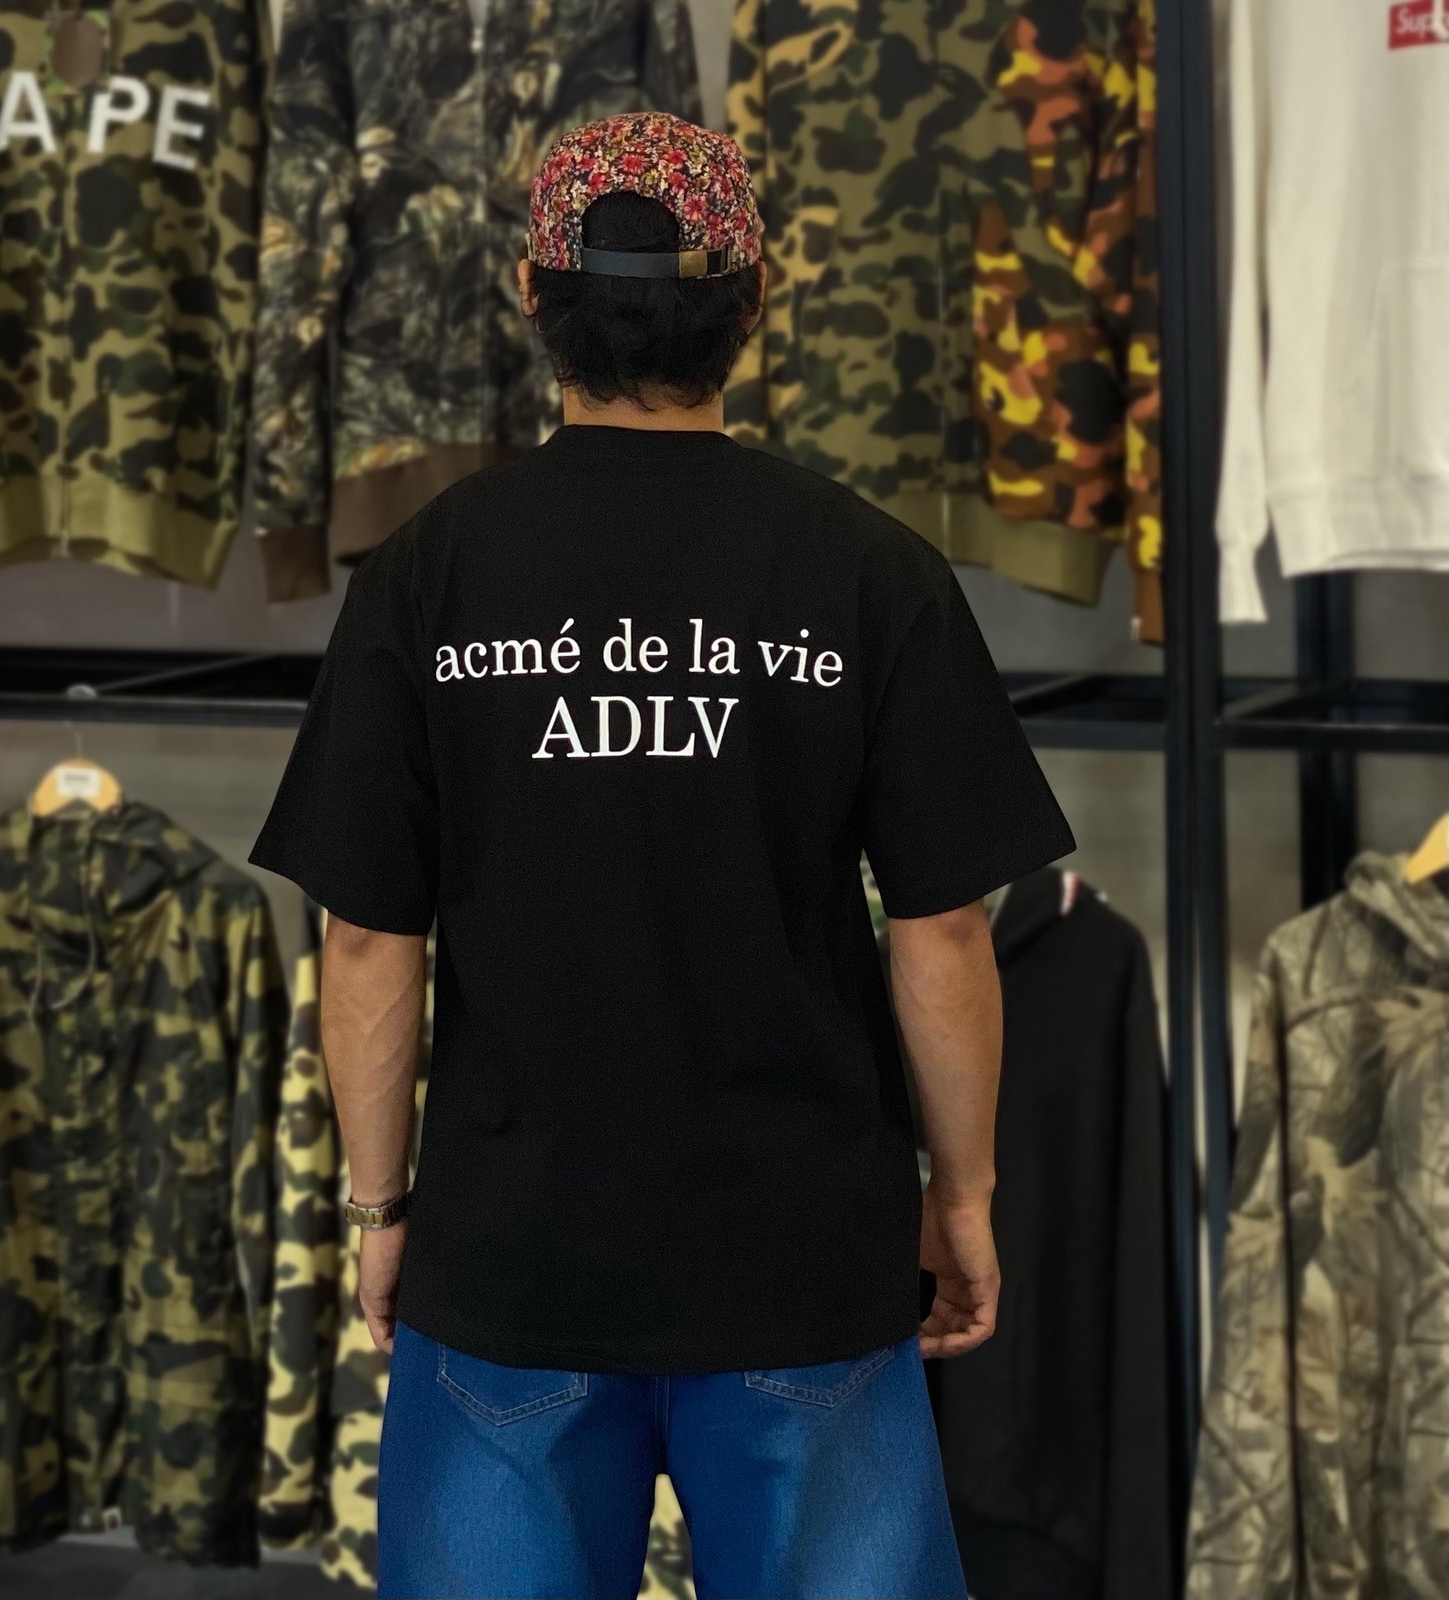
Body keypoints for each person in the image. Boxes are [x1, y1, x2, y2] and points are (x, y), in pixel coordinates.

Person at [249, 111, 1076, 1600]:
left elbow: (368, 937)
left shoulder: (431, 571)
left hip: (513, 1268)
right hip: (804, 1268)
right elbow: (943, 928)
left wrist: (380, 1210)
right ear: (754, 300)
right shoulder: (869, 567)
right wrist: (962, 1197)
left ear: (531, 295)